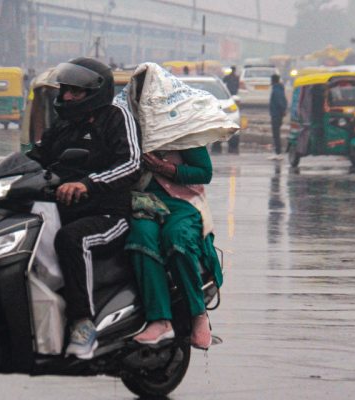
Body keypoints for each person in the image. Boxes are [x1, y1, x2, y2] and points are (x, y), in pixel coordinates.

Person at [26, 57, 141, 359]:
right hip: (62, 209)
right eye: (64, 90)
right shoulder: (63, 124)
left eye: (74, 92)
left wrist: (88, 184)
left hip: (110, 214)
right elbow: (36, 156)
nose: (65, 97)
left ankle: (83, 323)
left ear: (95, 92)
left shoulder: (116, 117)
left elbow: (131, 163)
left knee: (71, 239)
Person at [127, 147, 221, 349]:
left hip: (181, 203)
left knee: (176, 238)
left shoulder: (181, 123)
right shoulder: (127, 124)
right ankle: (160, 320)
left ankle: (198, 314)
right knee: (141, 237)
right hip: (142, 203)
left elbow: (204, 172)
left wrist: (164, 168)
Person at [268, 74, 287, 161]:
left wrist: (282, 111)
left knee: (276, 134)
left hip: (276, 115)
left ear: (273, 81)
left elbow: (280, 101)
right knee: (276, 133)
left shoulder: (276, 89)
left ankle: (278, 153)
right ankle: (277, 152)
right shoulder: (279, 88)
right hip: (277, 114)